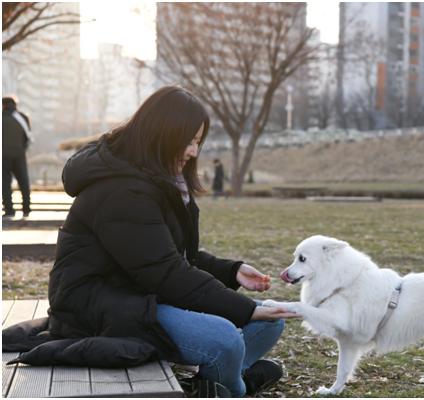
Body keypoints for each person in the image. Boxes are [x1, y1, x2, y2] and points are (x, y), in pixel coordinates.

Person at [47, 86, 298, 397]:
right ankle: (233, 388)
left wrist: (231, 271)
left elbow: (168, 254)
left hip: (141, 293)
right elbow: (164, 271)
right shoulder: (121, 191)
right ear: (162, 135)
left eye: (197, 142)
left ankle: (223, 380)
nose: (193, 152)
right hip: (99, 307)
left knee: (270, 322)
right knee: (225, 339)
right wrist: (243, 309)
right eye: (189, 142)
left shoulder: (159, 179)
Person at [2, 96, 32, 217]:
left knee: (5, 183)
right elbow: (28, 136)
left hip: (3, 156)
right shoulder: (22, 117)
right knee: (24, 181)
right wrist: (22, 149)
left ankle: (9, 210)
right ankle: (26, 208)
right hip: (19, 154)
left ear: (3, 105)